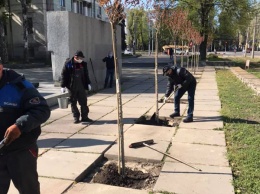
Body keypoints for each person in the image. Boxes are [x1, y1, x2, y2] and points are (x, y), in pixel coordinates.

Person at [0, 59, 51, 194]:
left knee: (29, 190)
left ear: (0, 67)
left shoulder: (20, 86)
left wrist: (19, 126)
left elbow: (41, 110)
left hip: (21, 151)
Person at [61, 50, 93, 124]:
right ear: (76, 57)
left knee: (83, 102)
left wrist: (88, 83)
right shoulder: (68, 64)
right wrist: (63, 86)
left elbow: (86, 74)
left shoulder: (83, 64)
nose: (81, 59)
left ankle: (85, 117)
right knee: (73, 102)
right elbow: (63, 75)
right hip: (72, 87)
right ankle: (76, 117)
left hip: (81, 86)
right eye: (80, 58)